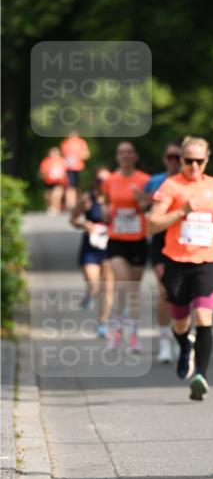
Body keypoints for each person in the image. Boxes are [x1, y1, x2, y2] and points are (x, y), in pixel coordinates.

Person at [147, 136, 213, 400]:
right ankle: (184, 346)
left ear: (207, 160)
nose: (194, 166)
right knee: (180, 323)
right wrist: (181, 211)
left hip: (207, 260)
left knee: (204, 318)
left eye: (199, 161)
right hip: (177, 262)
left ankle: (200, 376)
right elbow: (152, 224)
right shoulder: (170, 186)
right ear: (180, 160)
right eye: (188, 160)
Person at [101, 142, 150, 352]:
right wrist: (105, 212)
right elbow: (105, 203)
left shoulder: (144, 180)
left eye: (129, 152)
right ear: (117, 157)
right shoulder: (110, 180)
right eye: (122, 152)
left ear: (135, 156)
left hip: (138, 240)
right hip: (117, 239)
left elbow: (149, 207)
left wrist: (141, 200)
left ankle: (134, 336)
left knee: (133, 289)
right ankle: (117, 331)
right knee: (123, 283)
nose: (126, 155)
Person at [142, 142, 182, 363]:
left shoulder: (191, 183)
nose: (174, 161)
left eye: (178, 157)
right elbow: (144, 207)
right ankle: (165, 340)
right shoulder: (156, 181)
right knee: (165, 291)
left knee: (183, 293)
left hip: (185, 242)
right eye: (170, 157)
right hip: (161, 241)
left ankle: (180, 334)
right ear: (164, 159)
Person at [69, 167, 114, 337]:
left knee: (108, 287)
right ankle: (90, 293)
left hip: (110, 246)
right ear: (95, 182)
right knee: (95, 285)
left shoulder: (116, 199)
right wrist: (84, 224)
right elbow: (73, 219)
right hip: (91, 247)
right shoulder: (88, 199)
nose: (103, 184)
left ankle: (102, 322)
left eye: (107, 181)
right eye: (100, 180)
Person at [60, 131, 91, 210]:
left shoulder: (81, 142)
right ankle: (71, 204)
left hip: (78, 168)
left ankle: (78, 203)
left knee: (77, 186)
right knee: (70, 186)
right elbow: (63, 156)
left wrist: (78, 156)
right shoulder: (65, 143)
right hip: (68, 168)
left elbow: (86, 154)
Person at [38, 148, 67, 214]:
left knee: (56, 194)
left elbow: (66, 171)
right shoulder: (46, 161)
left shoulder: (62, 160)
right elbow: (42, 171)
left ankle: (56, 208)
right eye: (52, 153)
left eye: (55, 153)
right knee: (48, 195)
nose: (54, 154)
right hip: (49, 181)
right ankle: (49, 207)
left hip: (59, 181)